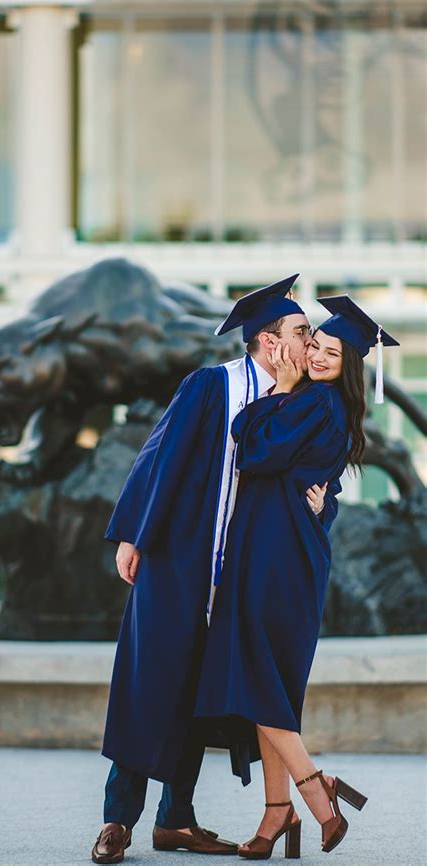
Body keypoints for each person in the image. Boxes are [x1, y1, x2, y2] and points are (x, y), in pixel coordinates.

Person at [91, 276, 338, 865]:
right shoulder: (213, 385)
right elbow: (159, 455)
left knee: (202, 698)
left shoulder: (304, 398)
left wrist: (322, 503)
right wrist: (133, 533)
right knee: (149, 684)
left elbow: (322, 477)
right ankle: (117, 820)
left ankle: (176, 819)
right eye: (302, 332)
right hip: (182, 563)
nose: (311, 343)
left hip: (246, 577)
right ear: (267, 340)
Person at [194, 294, 399, 858]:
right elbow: (294, 468)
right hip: (279, 543)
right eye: (315, 345)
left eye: (331, 352)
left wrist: (281, 390)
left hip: (276, 552)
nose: (317, 356)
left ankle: (315, 792)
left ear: (349, 365)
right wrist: (323, 503)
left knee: (260, 673)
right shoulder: (318, 404)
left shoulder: (314, 402)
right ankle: (275, 813)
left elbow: (253, 450)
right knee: (272, 678)